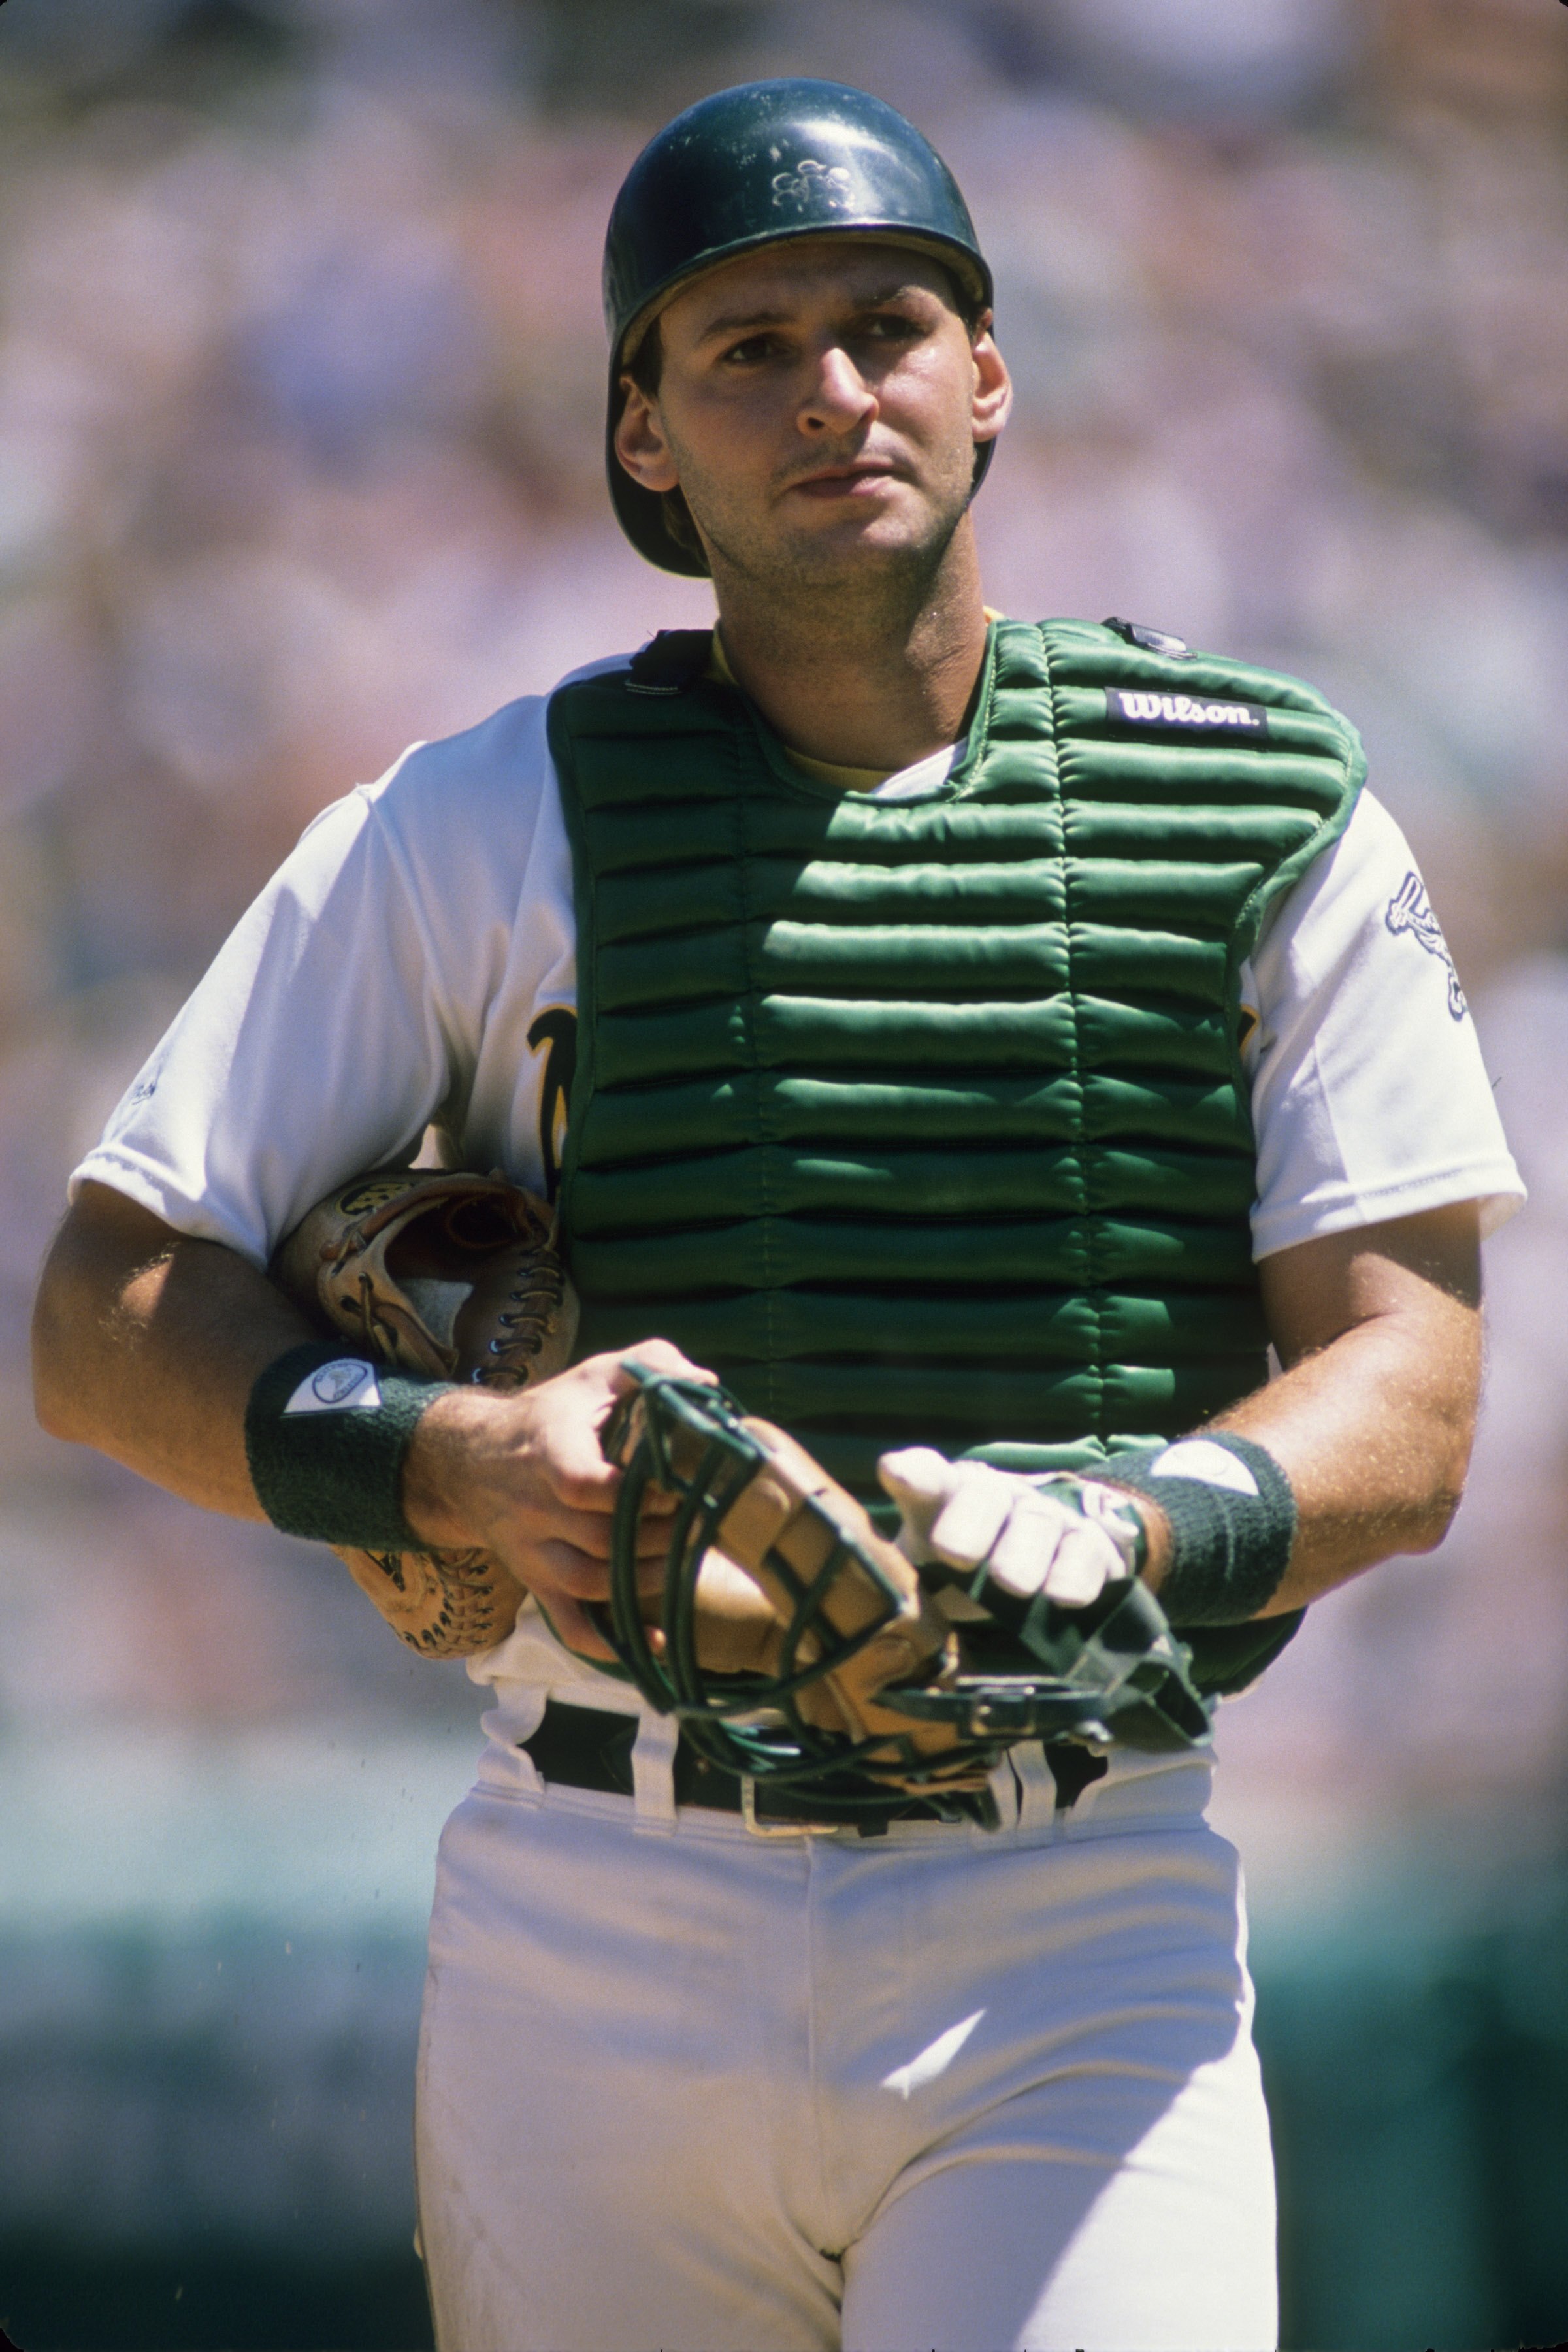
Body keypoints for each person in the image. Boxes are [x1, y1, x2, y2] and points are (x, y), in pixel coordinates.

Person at [33, 78, 1522, 2352]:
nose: (832, 388)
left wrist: (1146, 1517)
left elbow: (1412, 1392)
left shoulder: (1255, 797)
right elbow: (107, 1310)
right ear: (643, 434)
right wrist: (432, 1455)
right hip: (598, 1887)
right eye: (744, 347)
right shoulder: (475, 821)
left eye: (887, 324)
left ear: (991, 372)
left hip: (1077, 1887)